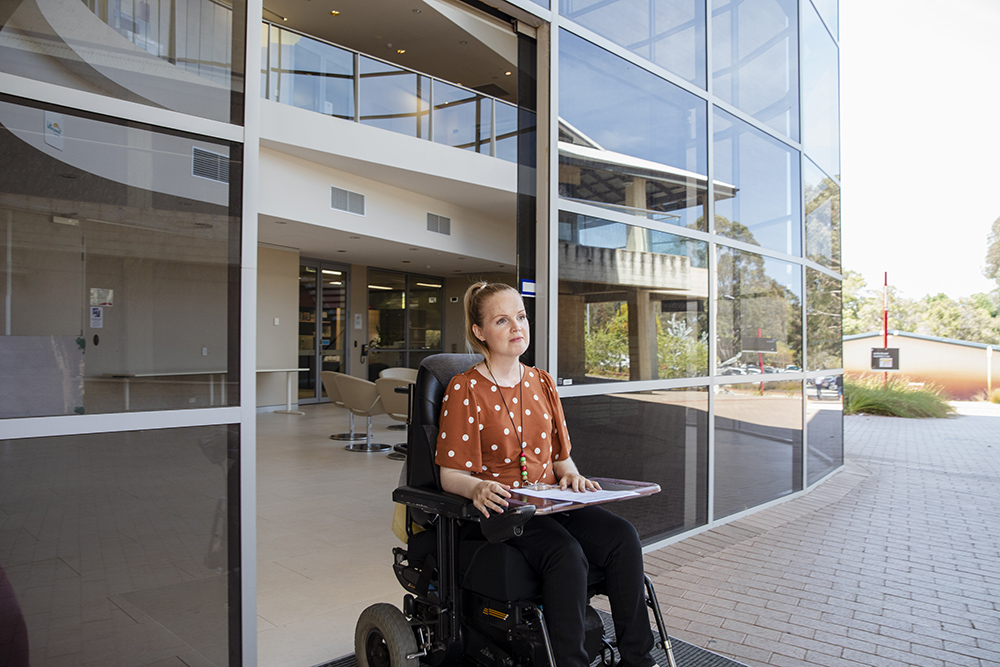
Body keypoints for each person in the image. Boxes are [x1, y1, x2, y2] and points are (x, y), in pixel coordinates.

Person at [435, 281, 658, 667]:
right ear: (479, 332)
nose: (516, 327)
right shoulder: (465, 388)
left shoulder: (542, 382)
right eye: (502, 320)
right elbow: (449, 474)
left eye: (520, 316)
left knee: (623, 537)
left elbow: (561, 460)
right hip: (504, 510)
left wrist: (572, 476)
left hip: (554, 500)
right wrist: (477, 487)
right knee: (566, 554)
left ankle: (638, 660)